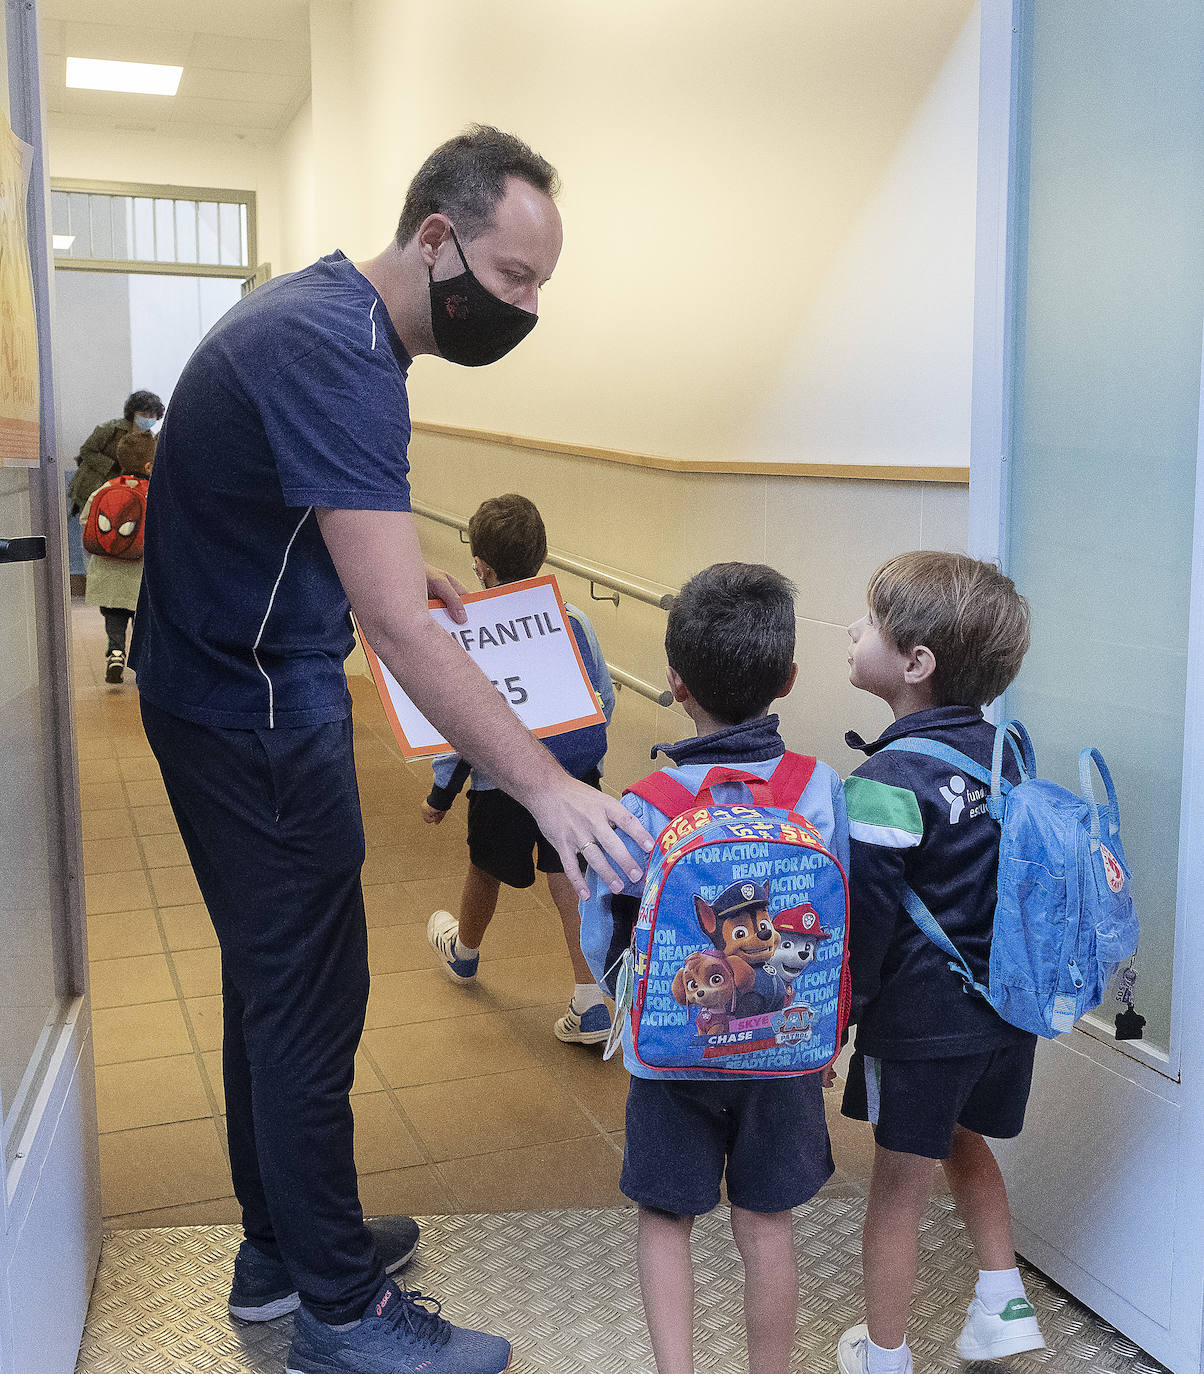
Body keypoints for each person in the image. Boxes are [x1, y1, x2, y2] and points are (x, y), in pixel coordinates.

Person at [127, 126, 652, 1374]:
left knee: (272, 979)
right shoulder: (342, 353)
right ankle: (342, 1313)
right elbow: (400, 635)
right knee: (310, 994)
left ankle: (283, 1251)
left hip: (221, 676)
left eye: (539, 288)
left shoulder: (319, 315)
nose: (523, 308)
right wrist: (539, 783)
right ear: (436, 238)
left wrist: (381, 568)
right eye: (514, 278)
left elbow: (280, 500)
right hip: (249, 705)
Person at [579, 563, 850, 1374]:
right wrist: (825, 1033)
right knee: (768, 1225)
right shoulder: (820, 789)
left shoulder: (642, 804)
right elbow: (839, 922)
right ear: (790, 680)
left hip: (671, 1055)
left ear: (674, 683)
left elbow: (605, 933)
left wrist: (629, 1011)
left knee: (666, 1219)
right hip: (783, 1051)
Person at [836, 550, 1044, 1374]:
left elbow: (869, 925)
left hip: (921, 1023)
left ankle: (883, 1352)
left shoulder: (884, 780)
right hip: (1002, 1012)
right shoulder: (1009, 756)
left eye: (870, 622)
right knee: (963, 1139)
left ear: (915, 665)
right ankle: (1003, 1303)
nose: (853, 630)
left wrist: (844, 1012)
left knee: (896, 1190)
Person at [423, 493, 617, 1044]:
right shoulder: (571, 618)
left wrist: (440, 794)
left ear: (481, 564)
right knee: (572, 878)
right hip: (572, 781)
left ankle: (465, 951)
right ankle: (590, 1001)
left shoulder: (471, 627)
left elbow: (458, 721)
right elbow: (600, 697)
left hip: (500, 782)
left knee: (485, 868)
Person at [80, 428, 154, 683]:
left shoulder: (105, 489)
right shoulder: (153, 492)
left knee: (114, 617)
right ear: (149, 465)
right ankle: (143, 663)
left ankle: (115, 653)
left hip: (107, 574)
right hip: (140, 574)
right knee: (141, 619)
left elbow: (85, 521)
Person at [67, 388, 163, 516]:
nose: (148, 418)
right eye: (144, 414)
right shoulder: (110, 428)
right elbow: (87, 451)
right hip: (90, 488)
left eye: (152, 415)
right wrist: (112, 465)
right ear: (133, 412)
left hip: (119, 493)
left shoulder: (150, 439)